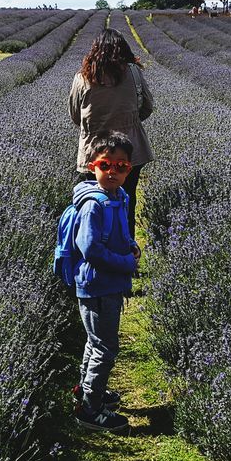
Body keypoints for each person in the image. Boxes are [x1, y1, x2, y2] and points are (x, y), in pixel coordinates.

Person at [68, 132, 140, 433]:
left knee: (96, 342)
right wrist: (126, 263)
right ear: (92, 165)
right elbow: (91, 249)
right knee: (105, 348)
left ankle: (87, 390)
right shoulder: (94, 205)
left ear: (129, 169)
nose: (113, 171)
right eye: (106, 164)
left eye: (121, 166)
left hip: (107, 284)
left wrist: (130, 246)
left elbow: (119, 234)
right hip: (97, 285)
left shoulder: (118, 197)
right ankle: (90, 409)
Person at [69, 28, 154, 240]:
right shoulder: (134, 73)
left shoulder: (82, 78)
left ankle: (98, 250)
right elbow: (147, 106)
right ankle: (126, 253)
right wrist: (129, 123)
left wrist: (96, 127)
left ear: (94, 51)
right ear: (123, 49)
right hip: (130, 150)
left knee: (96, 201)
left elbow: (74, 115)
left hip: (95, 153)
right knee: (127, 200)